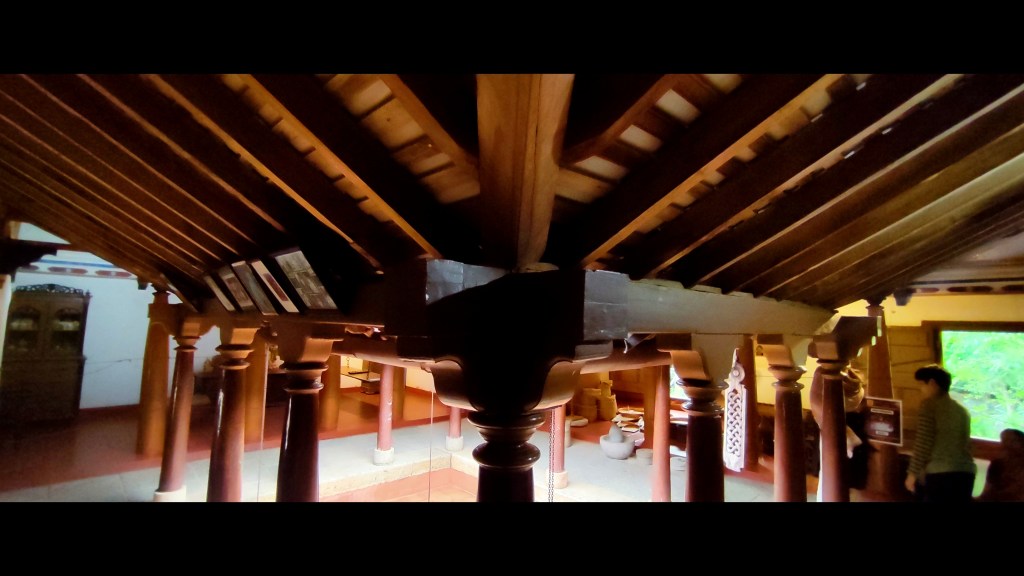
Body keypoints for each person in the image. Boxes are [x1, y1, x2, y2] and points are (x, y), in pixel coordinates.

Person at [905, 364, 977, 502]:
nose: (921, 390)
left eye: (922, 385)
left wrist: (912, 473)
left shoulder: (929, 406)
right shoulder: (962, 411)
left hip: (941, 474)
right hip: (966, 473)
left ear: (932, 383)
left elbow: (923, 442)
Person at [976, 428, 1024, 502]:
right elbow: (987, 491)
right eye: (1004, 441)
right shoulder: (997, 464)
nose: (1007, 445)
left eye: (1012, 441)